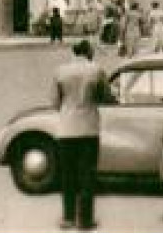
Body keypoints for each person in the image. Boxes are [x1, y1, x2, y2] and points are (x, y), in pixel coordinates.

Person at [52, 39, 109, 231]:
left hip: (66, 127)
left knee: (67, 175)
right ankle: (85, 220)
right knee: (87, 174)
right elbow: (105, 97)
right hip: (89, 127)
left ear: (73, 52)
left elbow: (54, 101)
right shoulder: (97, 70)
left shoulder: (60, 71)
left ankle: (67, 217)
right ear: (89, 51)